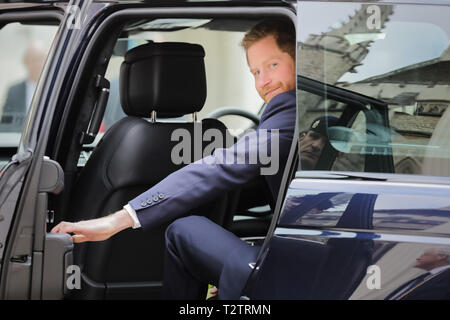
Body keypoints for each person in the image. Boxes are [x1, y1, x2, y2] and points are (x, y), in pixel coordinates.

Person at [51, 19, 329, 299]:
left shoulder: (289, 112)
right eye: (255, 71)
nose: (263, 82)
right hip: (320, 259)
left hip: (298, 271)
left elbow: (221, 166)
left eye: (272, 65)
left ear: (300, 59)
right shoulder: (320, 113)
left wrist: (116, 221)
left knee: (184, 230)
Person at [0, 41, 47, 131]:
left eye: (41, 58)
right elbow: (6, 124)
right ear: (25, 62)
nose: (37, 64)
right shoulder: (13, 91)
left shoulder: (55, 89)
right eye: (33, 59)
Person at [385, 247, 450, 300]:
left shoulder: (446, 277)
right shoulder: (427, 276)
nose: (418, 258)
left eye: (424, 254)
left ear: (442, 256)